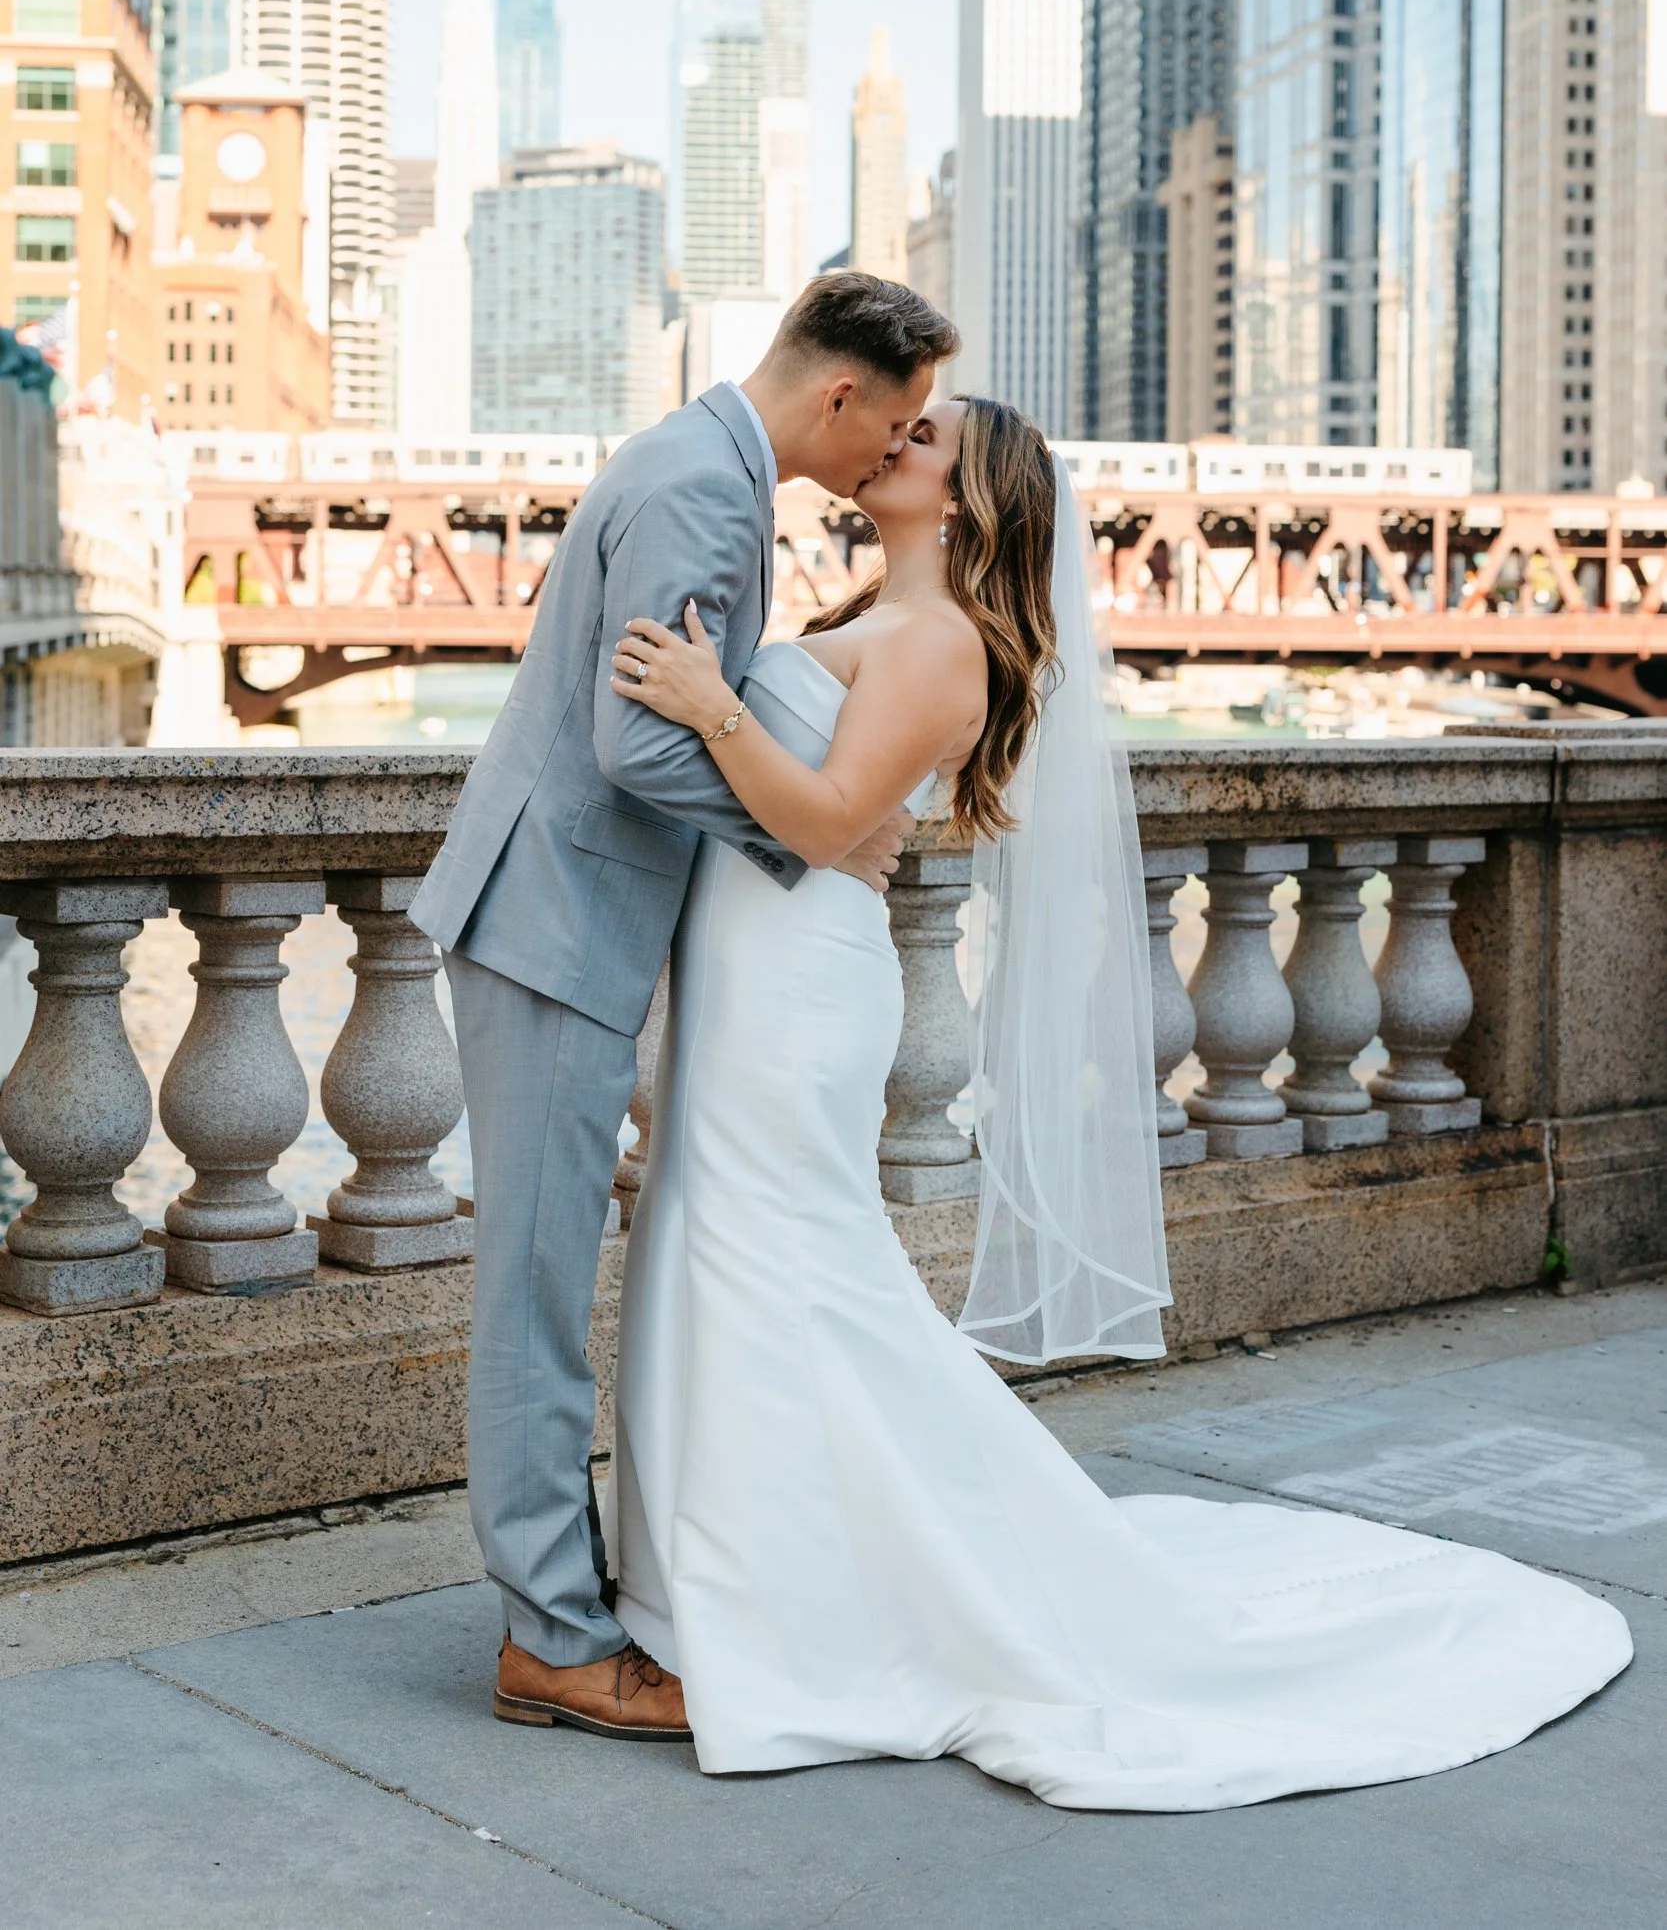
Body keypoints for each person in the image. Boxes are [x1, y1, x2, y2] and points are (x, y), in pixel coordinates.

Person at [598, 393, 1632, 1811]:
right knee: (720, 1255)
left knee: (785, 1268)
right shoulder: (875, 616)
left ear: (969, 499)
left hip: (797, 991)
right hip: (747, 974)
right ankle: (734, 1579)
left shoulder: (941, 642)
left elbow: (831, 823)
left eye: (924, 440)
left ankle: (795, 1601)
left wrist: (711, 704)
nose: (894, 441)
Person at [409, 272, 960, 1740]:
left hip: (550, 911)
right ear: (838, 392)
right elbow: (637, 747)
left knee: (541, 1281)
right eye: (893, 422)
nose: (888, 451)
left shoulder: (694, 459)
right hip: (554, 922)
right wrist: (816, 837)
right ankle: (556, 1642)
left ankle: (562, 1612)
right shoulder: (708, 492)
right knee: (534, 1296)